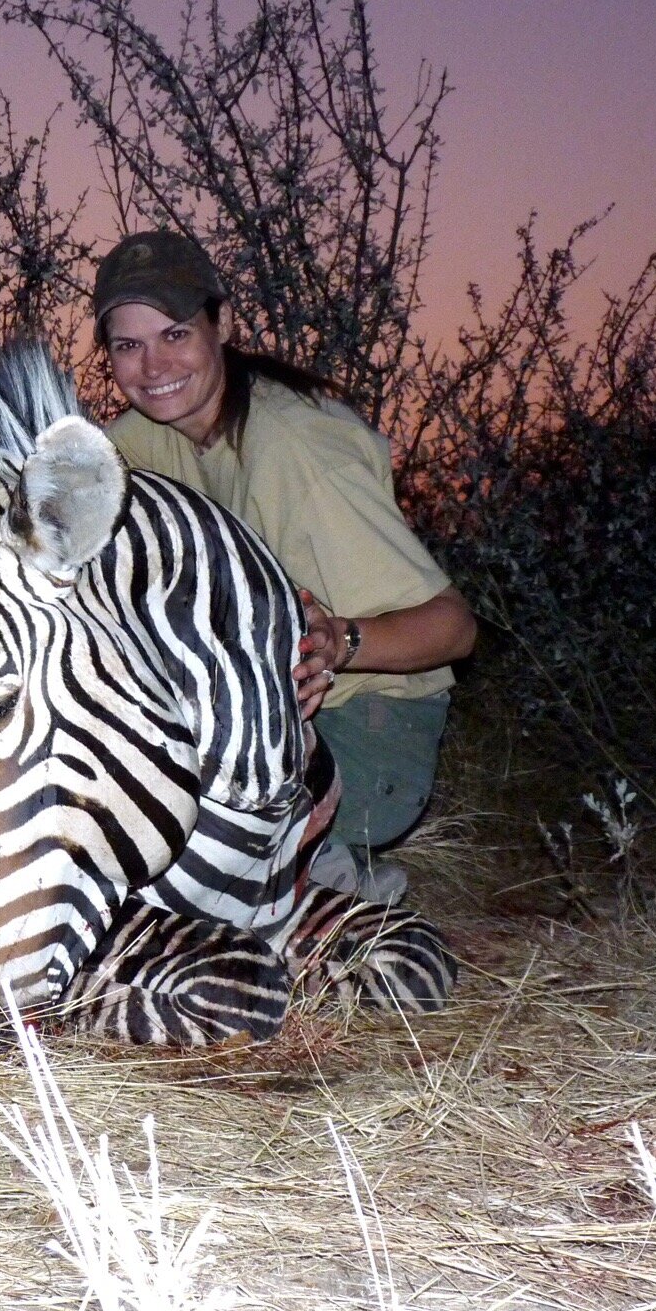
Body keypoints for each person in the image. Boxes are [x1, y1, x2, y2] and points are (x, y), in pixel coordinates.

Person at [92, 230, 477, 902]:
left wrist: (341, 643)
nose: (152, 367)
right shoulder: (140, 440)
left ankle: (329, 893)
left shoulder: (298, 450)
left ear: (224, 324)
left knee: (180, 850)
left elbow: (454, 627)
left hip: (369, 735)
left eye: (175, 334)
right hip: (245, 717)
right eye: (128, 346)